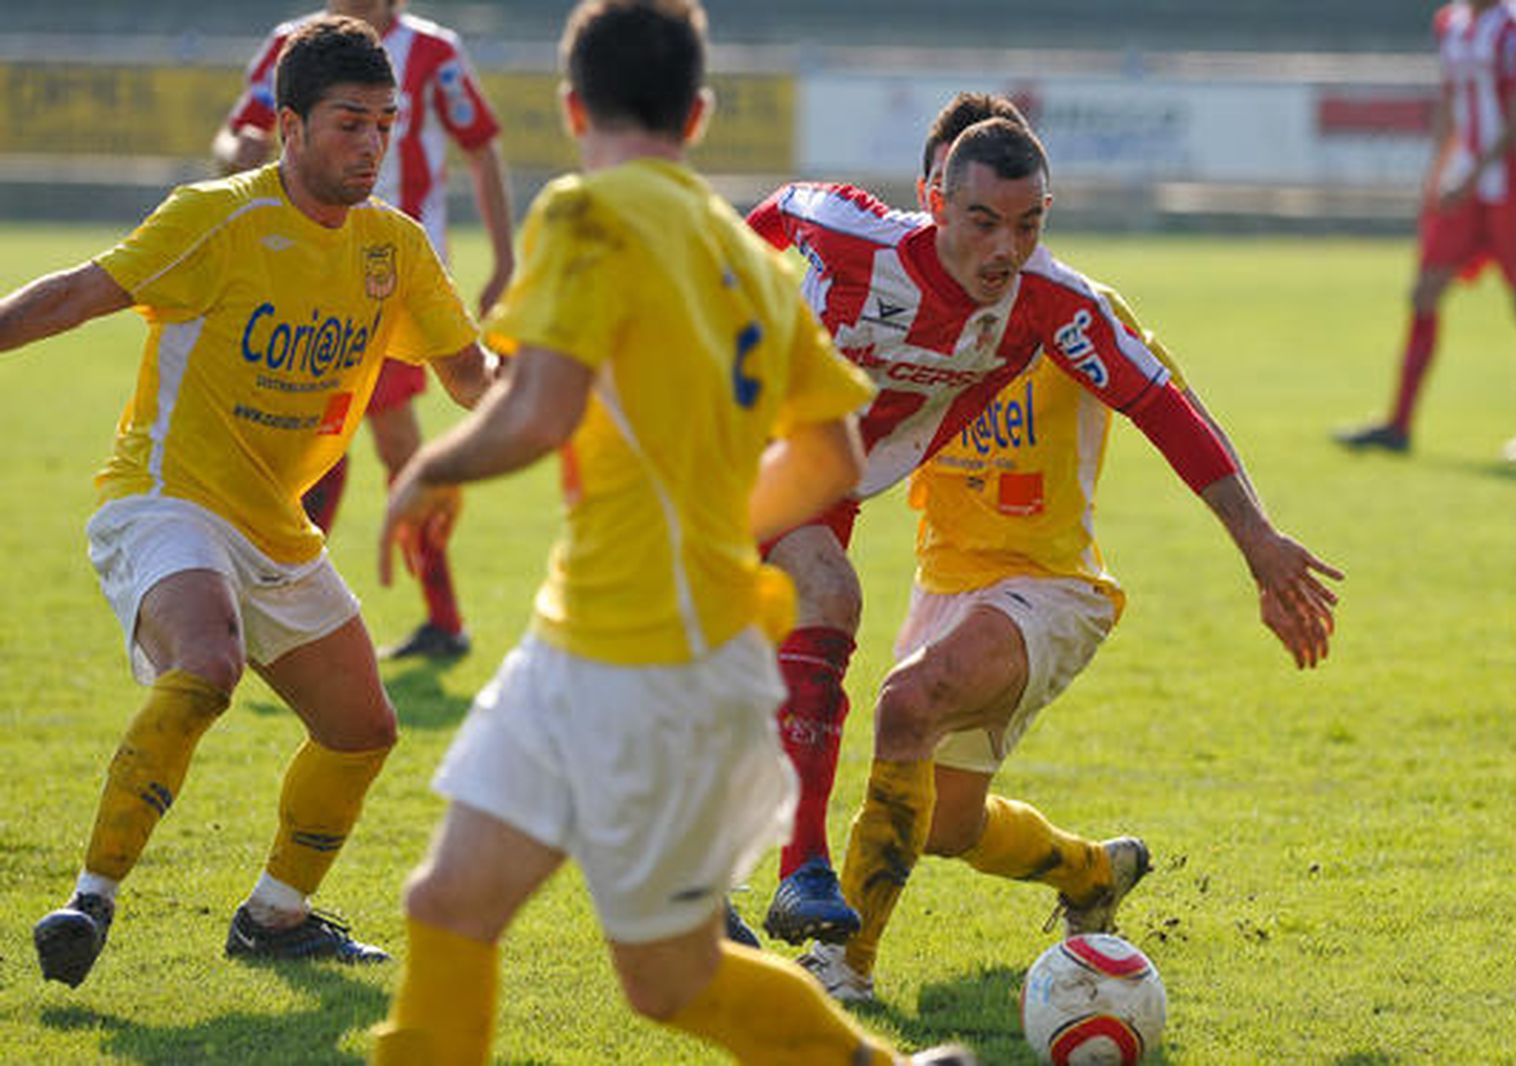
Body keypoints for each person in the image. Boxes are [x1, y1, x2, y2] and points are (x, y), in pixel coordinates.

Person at [366, 3, 972, 1064]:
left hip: (628, 660)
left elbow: (540, 405)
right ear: (698, 115)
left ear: (569, 108)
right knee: (556, 939)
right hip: (632, 650)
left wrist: (433, 462)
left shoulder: (587, 211)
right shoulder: (750, 257)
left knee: (524, 931)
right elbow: (830, 458)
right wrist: (708, 524)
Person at [796, 93, 1343, 1002]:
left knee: (906, 703)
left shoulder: (1064, 310)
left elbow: (1169, 409)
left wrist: (1259, 544)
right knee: (944, 823)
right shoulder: (889, 296)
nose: (998, 248)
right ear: (931, 199)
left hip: (1051, 586)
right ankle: (1091, 872)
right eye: (970, 216)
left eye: (1021, 224)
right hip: (946, 583)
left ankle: (840, 972)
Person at [3, 15, 495, 988]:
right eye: (349, 121)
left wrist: (590, 394)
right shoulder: (214, 215)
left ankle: (276, 917)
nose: (370, 144)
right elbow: (72, 296)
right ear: (290, 125)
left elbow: (475, 378)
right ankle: (90, 900)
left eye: (385, 125)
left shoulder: (391, 247)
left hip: (277, 523)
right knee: (208, 662)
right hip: (165, 498)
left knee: (365, 729)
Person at [215, 0, 516, 659]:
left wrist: (505, 257)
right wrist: (235, 156)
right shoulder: (292, 43)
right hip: (300, 277)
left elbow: (482, 149)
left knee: (378, 439)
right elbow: (240, 131)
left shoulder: (434, 53)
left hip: (395, 281)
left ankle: (414, 616)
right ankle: (294, 601)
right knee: (327, 436)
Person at [1335, 0, 1516, 461]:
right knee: (1424, 291)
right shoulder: (1451, 22)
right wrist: (1437, 173)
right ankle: (1398, 425)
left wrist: (1471, 176)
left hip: (1514, 188)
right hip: (1464, 185)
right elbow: (1451, 104)